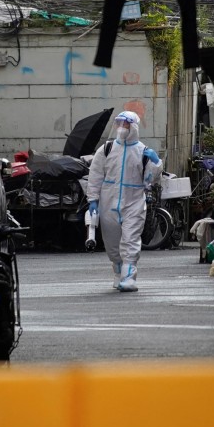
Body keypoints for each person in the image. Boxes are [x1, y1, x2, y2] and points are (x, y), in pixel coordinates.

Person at [86, 111, 163, 292]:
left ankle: (129, 278)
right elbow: (95, 175)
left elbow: (150, 179)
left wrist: (156, 162)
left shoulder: (143, 152)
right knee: (112, 242)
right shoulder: (106, 149)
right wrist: (93, 199)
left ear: (133, 126)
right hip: (108, 201)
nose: (122, 128)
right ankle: (118, 271)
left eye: (126, 124)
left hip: (134, 202)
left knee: (130, 240)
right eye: (119, 124)